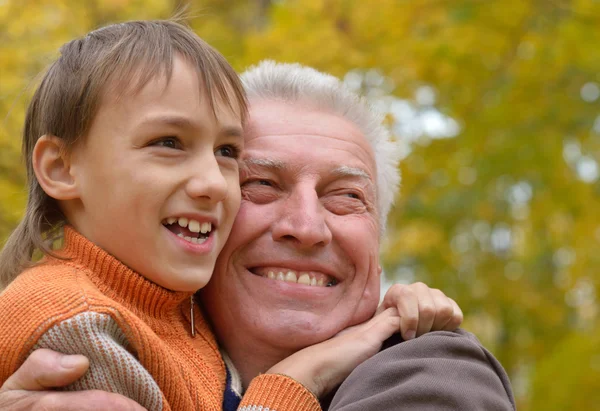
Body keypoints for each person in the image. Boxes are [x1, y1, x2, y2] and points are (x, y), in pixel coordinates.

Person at [0, 55, 502, 410]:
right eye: (260, 184)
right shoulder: (91, 334)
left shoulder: (430, 371)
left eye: (346, 196)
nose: (306, 228)